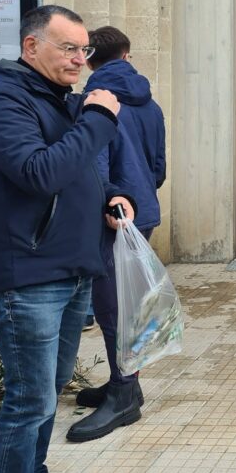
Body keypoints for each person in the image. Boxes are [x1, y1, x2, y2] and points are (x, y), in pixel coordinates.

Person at [0, 5, 136, 473]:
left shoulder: (56, 98)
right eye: (69, 48)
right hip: (29, 274)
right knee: (30, 401)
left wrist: (110, 196)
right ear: (31, 46)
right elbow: (39, 173)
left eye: (84, 49)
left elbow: (76, 171)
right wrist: (98, 118)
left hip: (70, 269)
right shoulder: (1, 100)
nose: (80, 59)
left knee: (46, 394)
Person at [66, 26, 166, 443]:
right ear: (126, 55)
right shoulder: (151, 103)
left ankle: (124, 395)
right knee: (129, 303)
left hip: (110, 215)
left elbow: (95, 166)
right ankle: (124, 383)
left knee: (112, 309)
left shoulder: (95, 103)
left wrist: (111, 203)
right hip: (141, 212)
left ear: (89, 59)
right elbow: (158, 167)